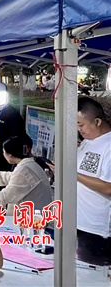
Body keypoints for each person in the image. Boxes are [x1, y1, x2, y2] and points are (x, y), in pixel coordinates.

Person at [71, 97, 111, 266]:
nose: (78, 129)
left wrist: (71, 174)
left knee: (94, 274)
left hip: (98, 228)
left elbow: (108, 187)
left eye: (81, 124)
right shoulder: (86, 142)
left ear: (97, 121)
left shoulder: (108, 145)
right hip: (79, 222)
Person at [0, 134, 53, 211]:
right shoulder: (30, 165)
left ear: (10, 155)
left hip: (35, 216)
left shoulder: (23, 170)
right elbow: (11, 176)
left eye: (4, 152)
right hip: (40, 211)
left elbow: (5, 195)